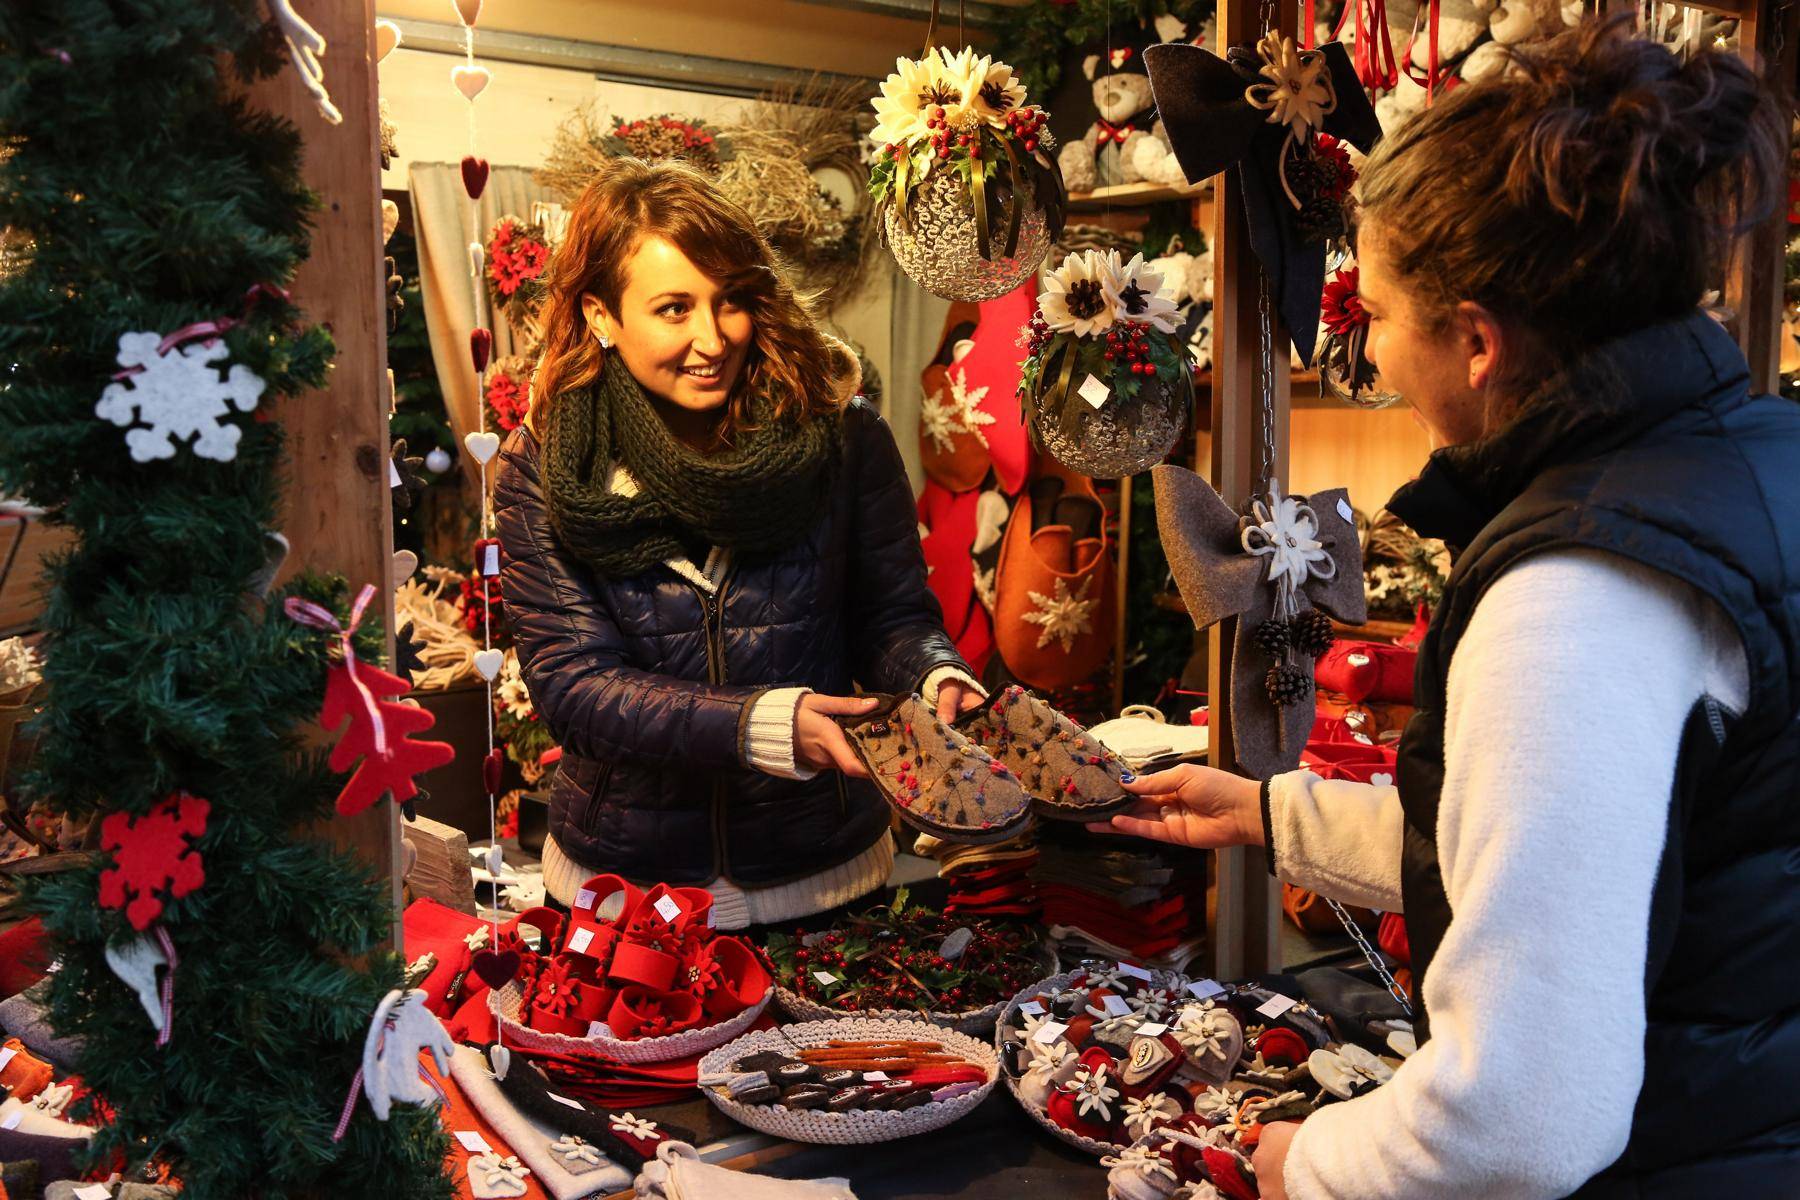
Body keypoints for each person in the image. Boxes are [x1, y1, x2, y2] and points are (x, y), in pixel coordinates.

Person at [1104, 19, 1800, 1199]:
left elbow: (1521, 1120)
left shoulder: (1575, 594)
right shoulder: (1757, 460)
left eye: (1375, 315)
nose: (1369, 357)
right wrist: (1277, 815)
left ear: (1476, 341)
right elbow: (1615, 852)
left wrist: (1299, 1163)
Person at [495, 158, 983, 930]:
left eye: (729, 302)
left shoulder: (842, 434)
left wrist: (935, 676)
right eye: (673, 308)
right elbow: (574, 688)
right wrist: (763, 723)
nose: (711, 338)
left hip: (824, 877)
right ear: (599, 315)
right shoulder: (548, 463)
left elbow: (891, 616)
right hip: (630, 898)